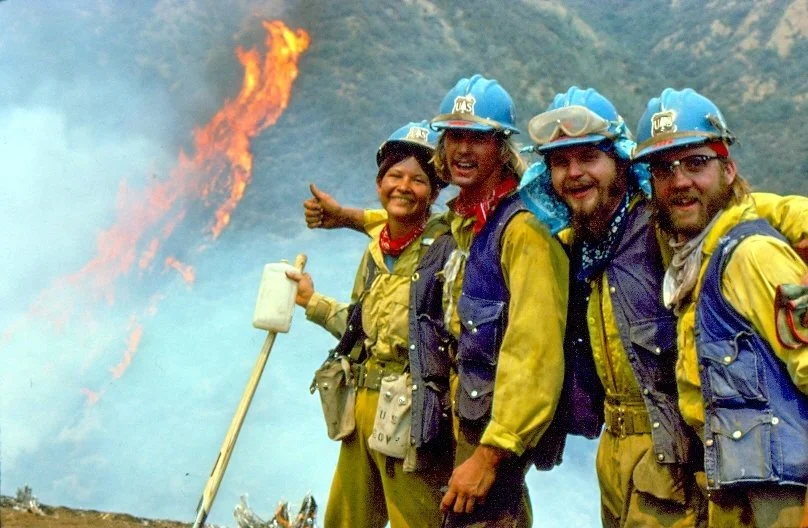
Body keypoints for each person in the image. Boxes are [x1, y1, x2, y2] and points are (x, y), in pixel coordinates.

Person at [306, 74, 570, 527]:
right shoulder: (468, 224)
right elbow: (404, 225)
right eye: (455, 137)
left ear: (501, 147)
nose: (463, 149)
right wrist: (346, 218)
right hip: (460, 424)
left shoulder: (522, 231)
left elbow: (534, 354)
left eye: (478, 138)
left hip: (489, 441)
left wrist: (490, 455)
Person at [521, 87, 706, 527]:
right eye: (561, 162)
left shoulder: (661, 227)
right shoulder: (578, 245)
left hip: (674, 457)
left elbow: (744, 214)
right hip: (613, 452)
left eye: (589, 158)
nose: (574, 173)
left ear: (620, 161)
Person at [634, 87, 808, 528]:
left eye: (696, 163)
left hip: (784, 501)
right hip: (737, 491)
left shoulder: (750, 256)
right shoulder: (695, 261)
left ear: (728, 170)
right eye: (664, 169)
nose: (680, 181)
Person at [287, 121, 455, 528]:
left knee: (416, 518)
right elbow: (361, 326)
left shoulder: (447, 247)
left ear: (434, 193)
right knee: (346, 519)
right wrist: (312, 302)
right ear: (380, 183)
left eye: (418, 180)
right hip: (362, 406)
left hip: (415, 413)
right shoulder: (377, 250)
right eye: (394, 175)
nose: (404, 187)